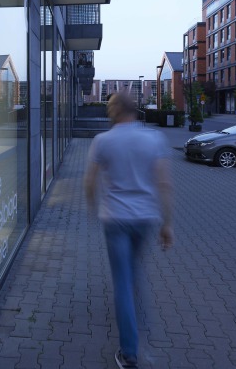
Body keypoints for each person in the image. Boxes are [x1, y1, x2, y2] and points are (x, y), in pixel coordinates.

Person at [83, 92, 174, 369]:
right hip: (144, 218)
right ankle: (137, 322)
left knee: (122, 281)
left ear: (116, 110)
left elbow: (90, 181)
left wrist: (92, 209)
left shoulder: (103, 140)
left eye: (109, 106)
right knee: (133, 273)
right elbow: (164, 184)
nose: (107, 110)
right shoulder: (154, 139)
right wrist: (167, 223)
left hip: (115, 218)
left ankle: (129, 352)